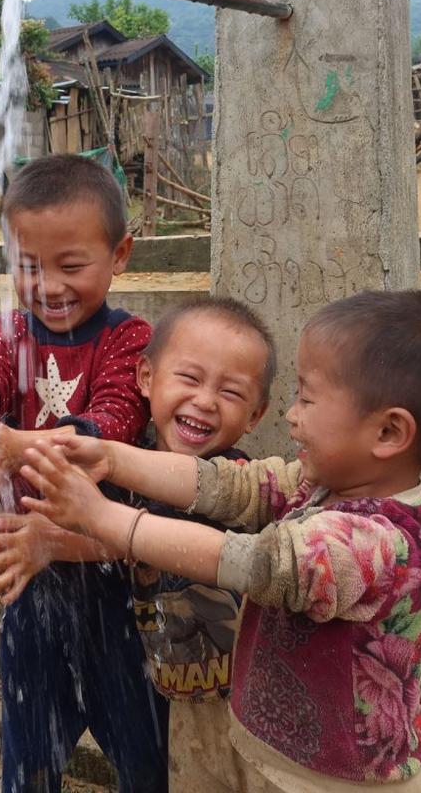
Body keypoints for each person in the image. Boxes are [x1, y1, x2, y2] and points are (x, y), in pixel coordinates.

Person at [15, 290, 421, 793]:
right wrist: (111, 456)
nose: (290, 415)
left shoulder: (376, 543)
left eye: (307, 398)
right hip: (267, 748)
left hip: (332, 781)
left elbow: (257, 563)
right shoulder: (322, 489)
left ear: (389, 432)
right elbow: (228, 485)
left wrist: (106, 518)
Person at [0, 153, 168, 793]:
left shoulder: (130, 341)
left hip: (119, 585)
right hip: (30, 586)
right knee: (29, 750)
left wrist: (12, 446)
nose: (49, 286)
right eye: (29, 266)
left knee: (147, 753)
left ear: (119, 254)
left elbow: (111, 422)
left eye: (71, 265)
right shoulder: (5, 333)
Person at [126, 298, 274, 793]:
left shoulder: (232, 481)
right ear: (147, 378)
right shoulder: (133, 462)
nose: (206, 400)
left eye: (230, 392)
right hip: (182, 699)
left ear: (256, 415)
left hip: (249, 707)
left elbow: (128, 533)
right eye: (189, 379)